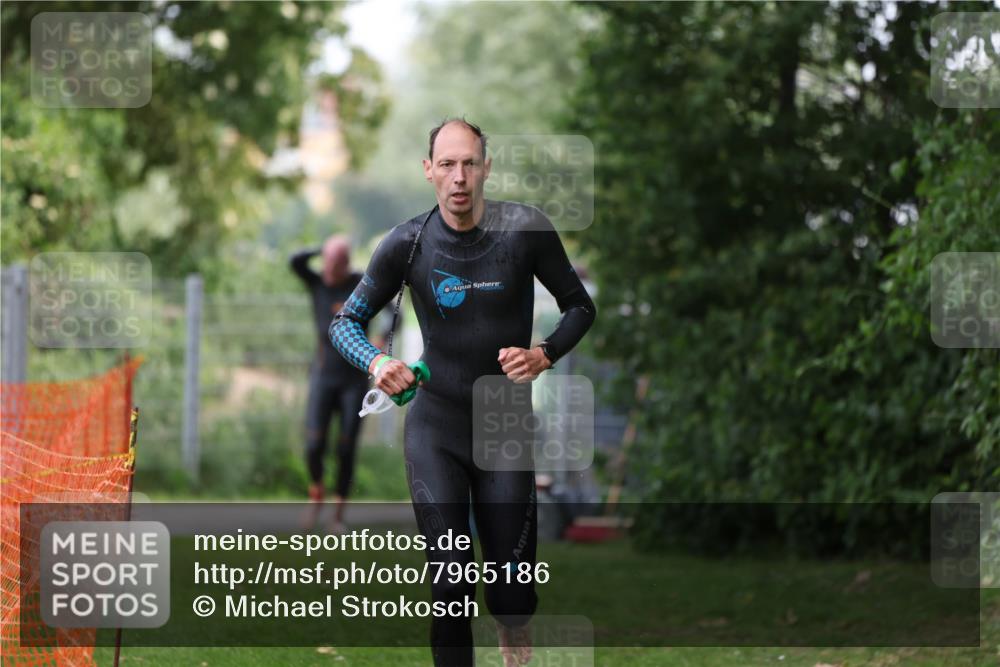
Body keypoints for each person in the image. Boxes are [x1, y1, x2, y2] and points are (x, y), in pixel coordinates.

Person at [330, 118, 596, 667]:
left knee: (512, 595)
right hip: (437, 426)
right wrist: (377, 361)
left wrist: (543, 353)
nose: (459, 177)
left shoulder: (525, 230)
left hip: (504, 425)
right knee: (451, 591)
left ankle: (513, 632)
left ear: (486, 168)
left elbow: (580, 306)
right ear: (429, 171)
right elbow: (344, 323)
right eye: (447, 164)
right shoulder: (407, 243)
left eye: (469, 163)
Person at [290, 235, 382, 532]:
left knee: (345, 447)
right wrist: (323, 247)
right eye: (326, 262)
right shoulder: (317, 283)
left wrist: (380, 339)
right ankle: (316, 493)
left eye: (335, 263)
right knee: (314, 444)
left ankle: (336, 515)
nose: (328, 269)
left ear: (347, 263)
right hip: (323, 376)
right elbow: (295, 261)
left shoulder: (360, 284)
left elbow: (396, 311)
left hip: (354, 380)